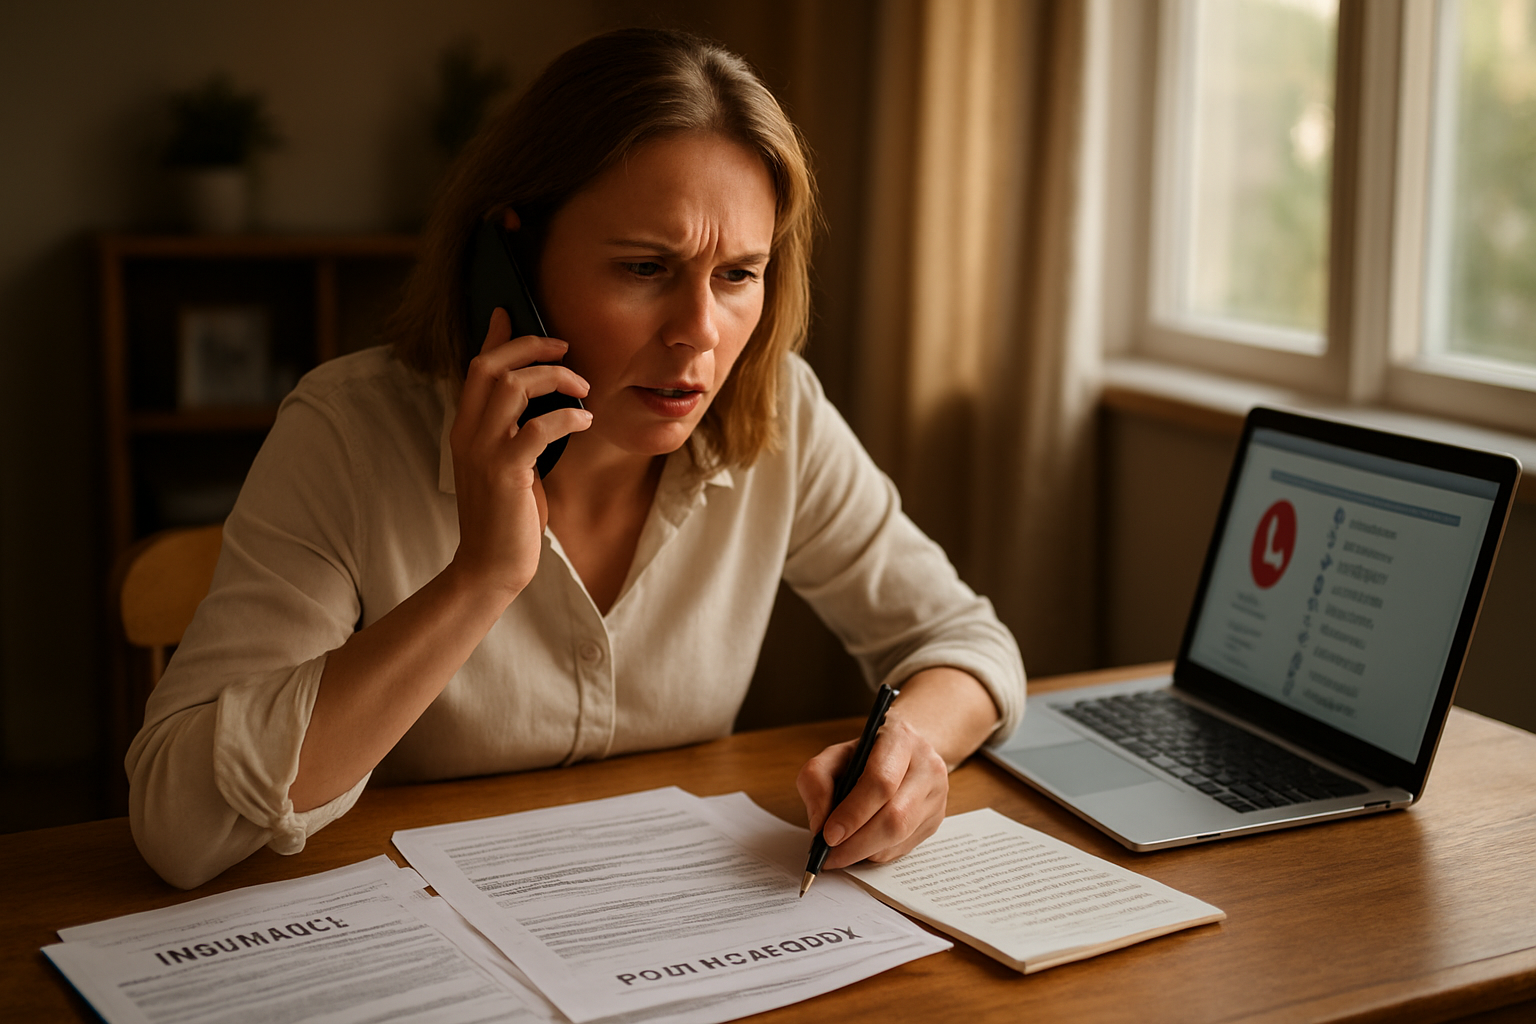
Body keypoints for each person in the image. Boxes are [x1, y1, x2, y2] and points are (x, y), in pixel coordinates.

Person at [127, 28, 1025, 890]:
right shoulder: (348, 434)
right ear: (510, 260)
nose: (699, 336)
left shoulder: (776, 410)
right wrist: (478, 577)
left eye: (737, 274)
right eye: (644, 268)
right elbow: (177, 828)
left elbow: (968, 644)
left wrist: (910, 744)